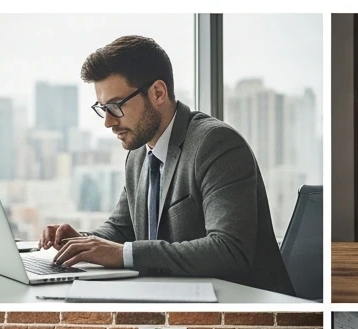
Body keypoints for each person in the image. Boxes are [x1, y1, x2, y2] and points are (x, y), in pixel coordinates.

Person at [39, 36, 296, 296]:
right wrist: (81, 241)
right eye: (103, 108)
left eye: (116, 106)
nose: (107, 122)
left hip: (241, 304)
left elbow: (229, 250)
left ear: (158, 93)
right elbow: (121, 228)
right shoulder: (139, 153)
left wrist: (123, 253)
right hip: (171, 299)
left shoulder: (216, 144)